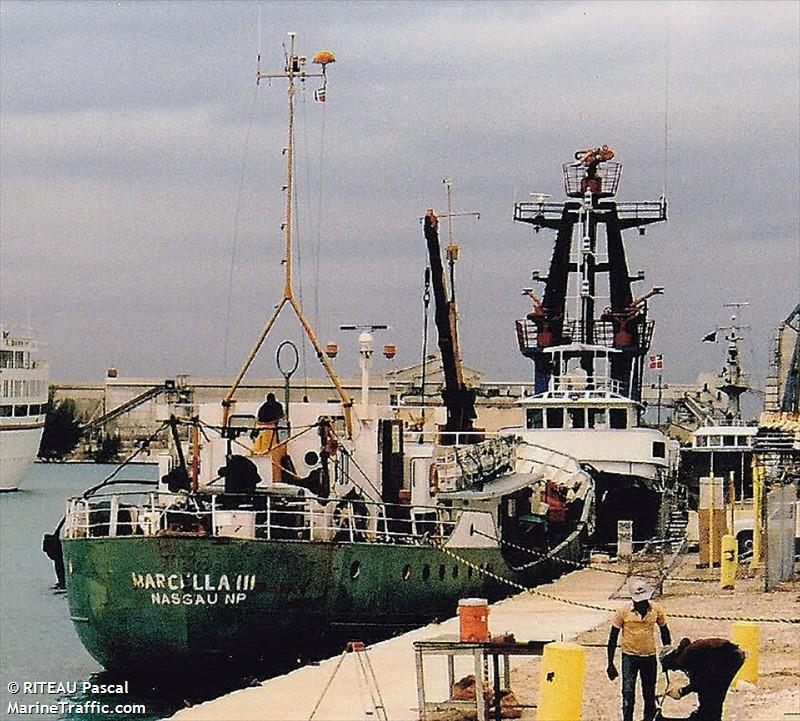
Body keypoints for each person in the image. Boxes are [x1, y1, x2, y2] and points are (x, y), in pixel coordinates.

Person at [607, 578, 672, 721]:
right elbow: (612, 638)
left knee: (649, 694)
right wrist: (610, 664)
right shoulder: (623, 612)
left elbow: (664, 631)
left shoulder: (656, 610)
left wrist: (667, 655)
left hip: (649, 657)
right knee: (628, 693)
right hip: (629, 657)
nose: (641, 603)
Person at [659, 637, 745, 721]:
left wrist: (682, 691)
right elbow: (700, 680)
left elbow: (700, 681)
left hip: (729, 658)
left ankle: (707, 715)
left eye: (670, 667)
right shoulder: (689, 653)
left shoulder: (685, 657)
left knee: (711, 694)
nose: (673, 670)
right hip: (733, 657)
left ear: (670, 659)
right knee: (714, 695)